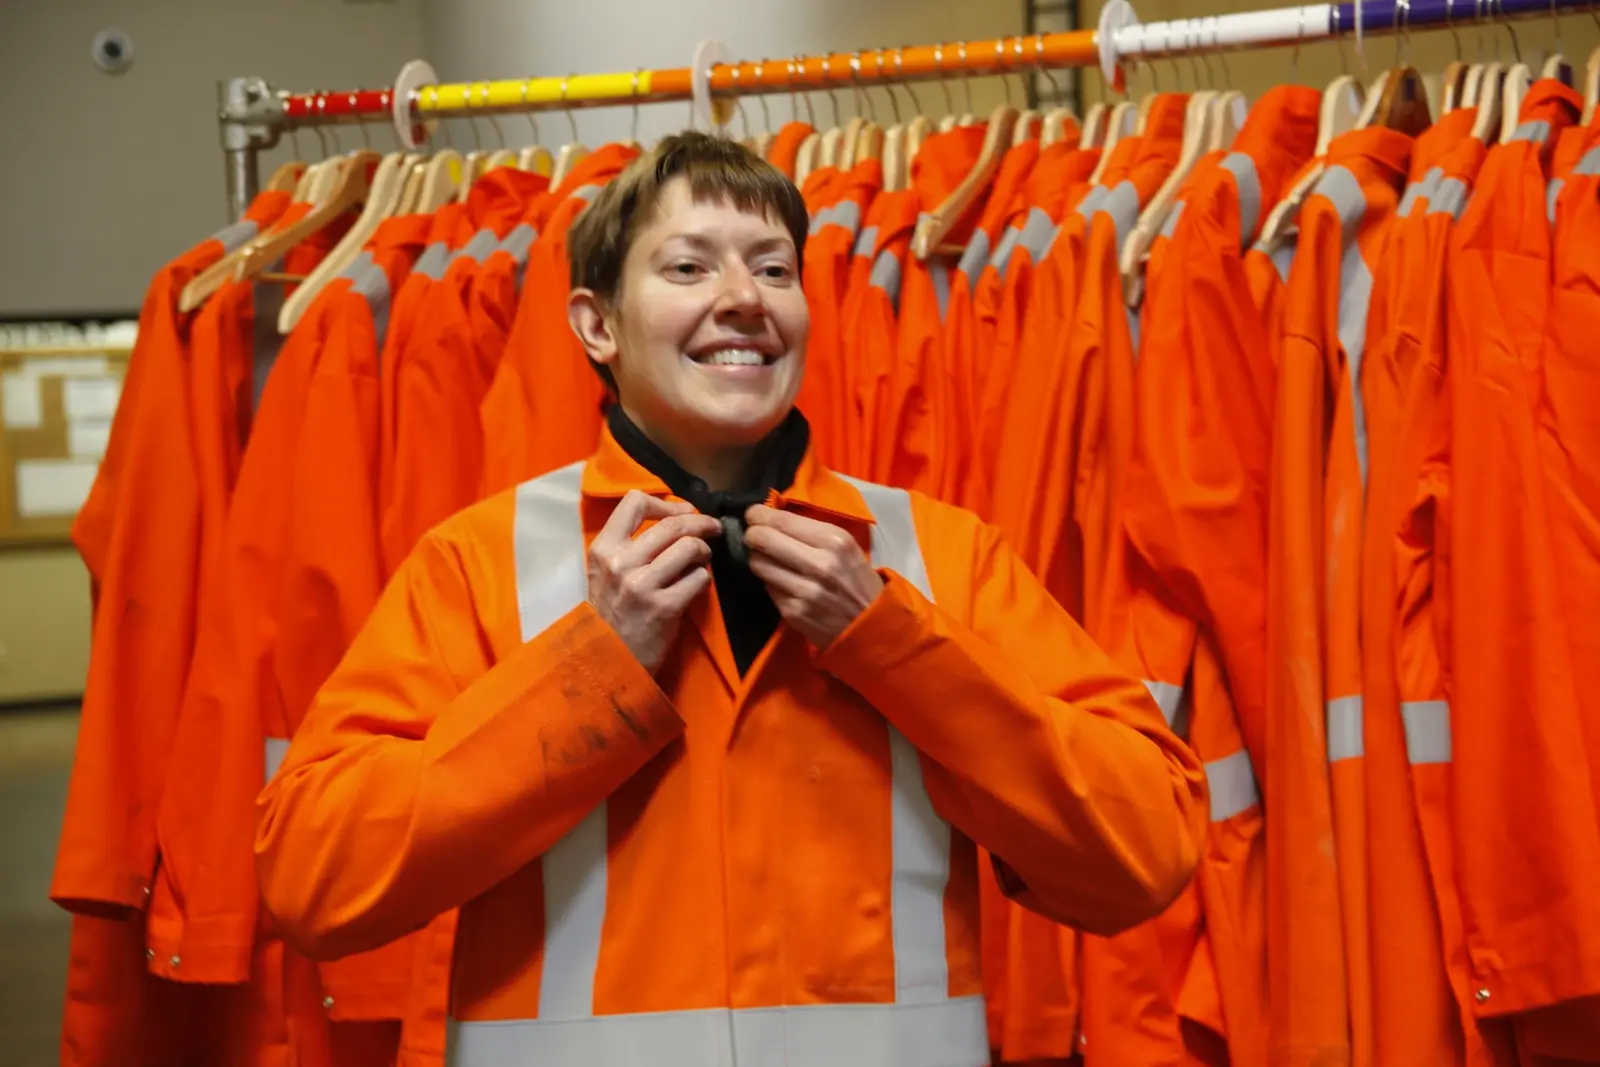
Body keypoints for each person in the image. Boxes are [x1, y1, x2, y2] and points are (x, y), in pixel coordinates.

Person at [255, 131, 1209, 1067]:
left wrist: (893, 645)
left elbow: (1144, 851)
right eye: (687, 268)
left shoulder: (936, 557)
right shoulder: (480, 561)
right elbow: (316, 879)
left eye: (774, 269)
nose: (744, 299)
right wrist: (592, 667)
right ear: (596, 324)